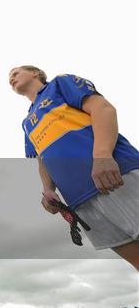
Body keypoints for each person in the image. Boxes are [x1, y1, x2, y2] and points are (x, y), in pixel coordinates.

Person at [9, 65, 139, 270]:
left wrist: (103, 155)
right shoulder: (27, 122)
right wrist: (48, 190)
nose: (12, 78)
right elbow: (42, 158)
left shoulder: (60, 83)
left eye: (16, 73)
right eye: (10, 76)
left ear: (35, 73)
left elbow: (103, 108)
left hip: (117, 175)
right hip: (79, 199)